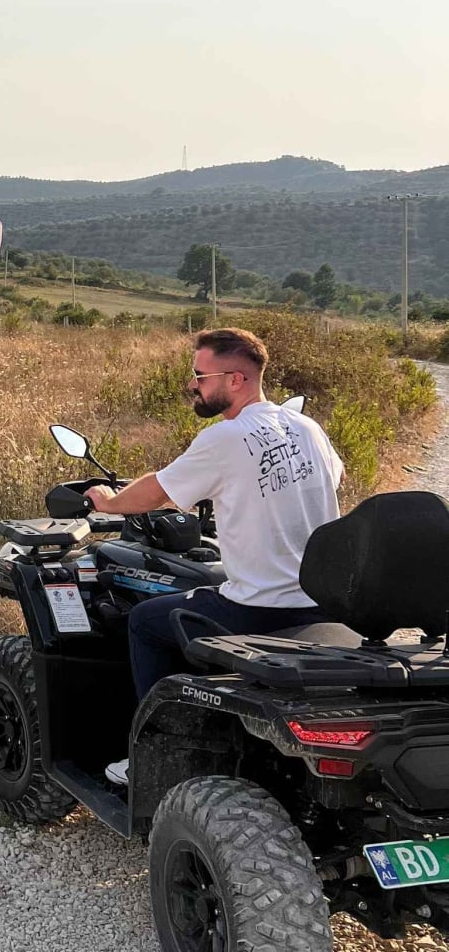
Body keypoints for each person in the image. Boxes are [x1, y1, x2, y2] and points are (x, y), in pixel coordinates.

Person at [86, 328, 344, 785]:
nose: (193, 385)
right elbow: (329, 481)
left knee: (145, 621)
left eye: (201, 376)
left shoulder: (226, 437)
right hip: (324, 602)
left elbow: (159, 490)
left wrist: (108, 501)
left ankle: (157, 753)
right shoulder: (308, 428)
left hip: (259, 609)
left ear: (237, 379)